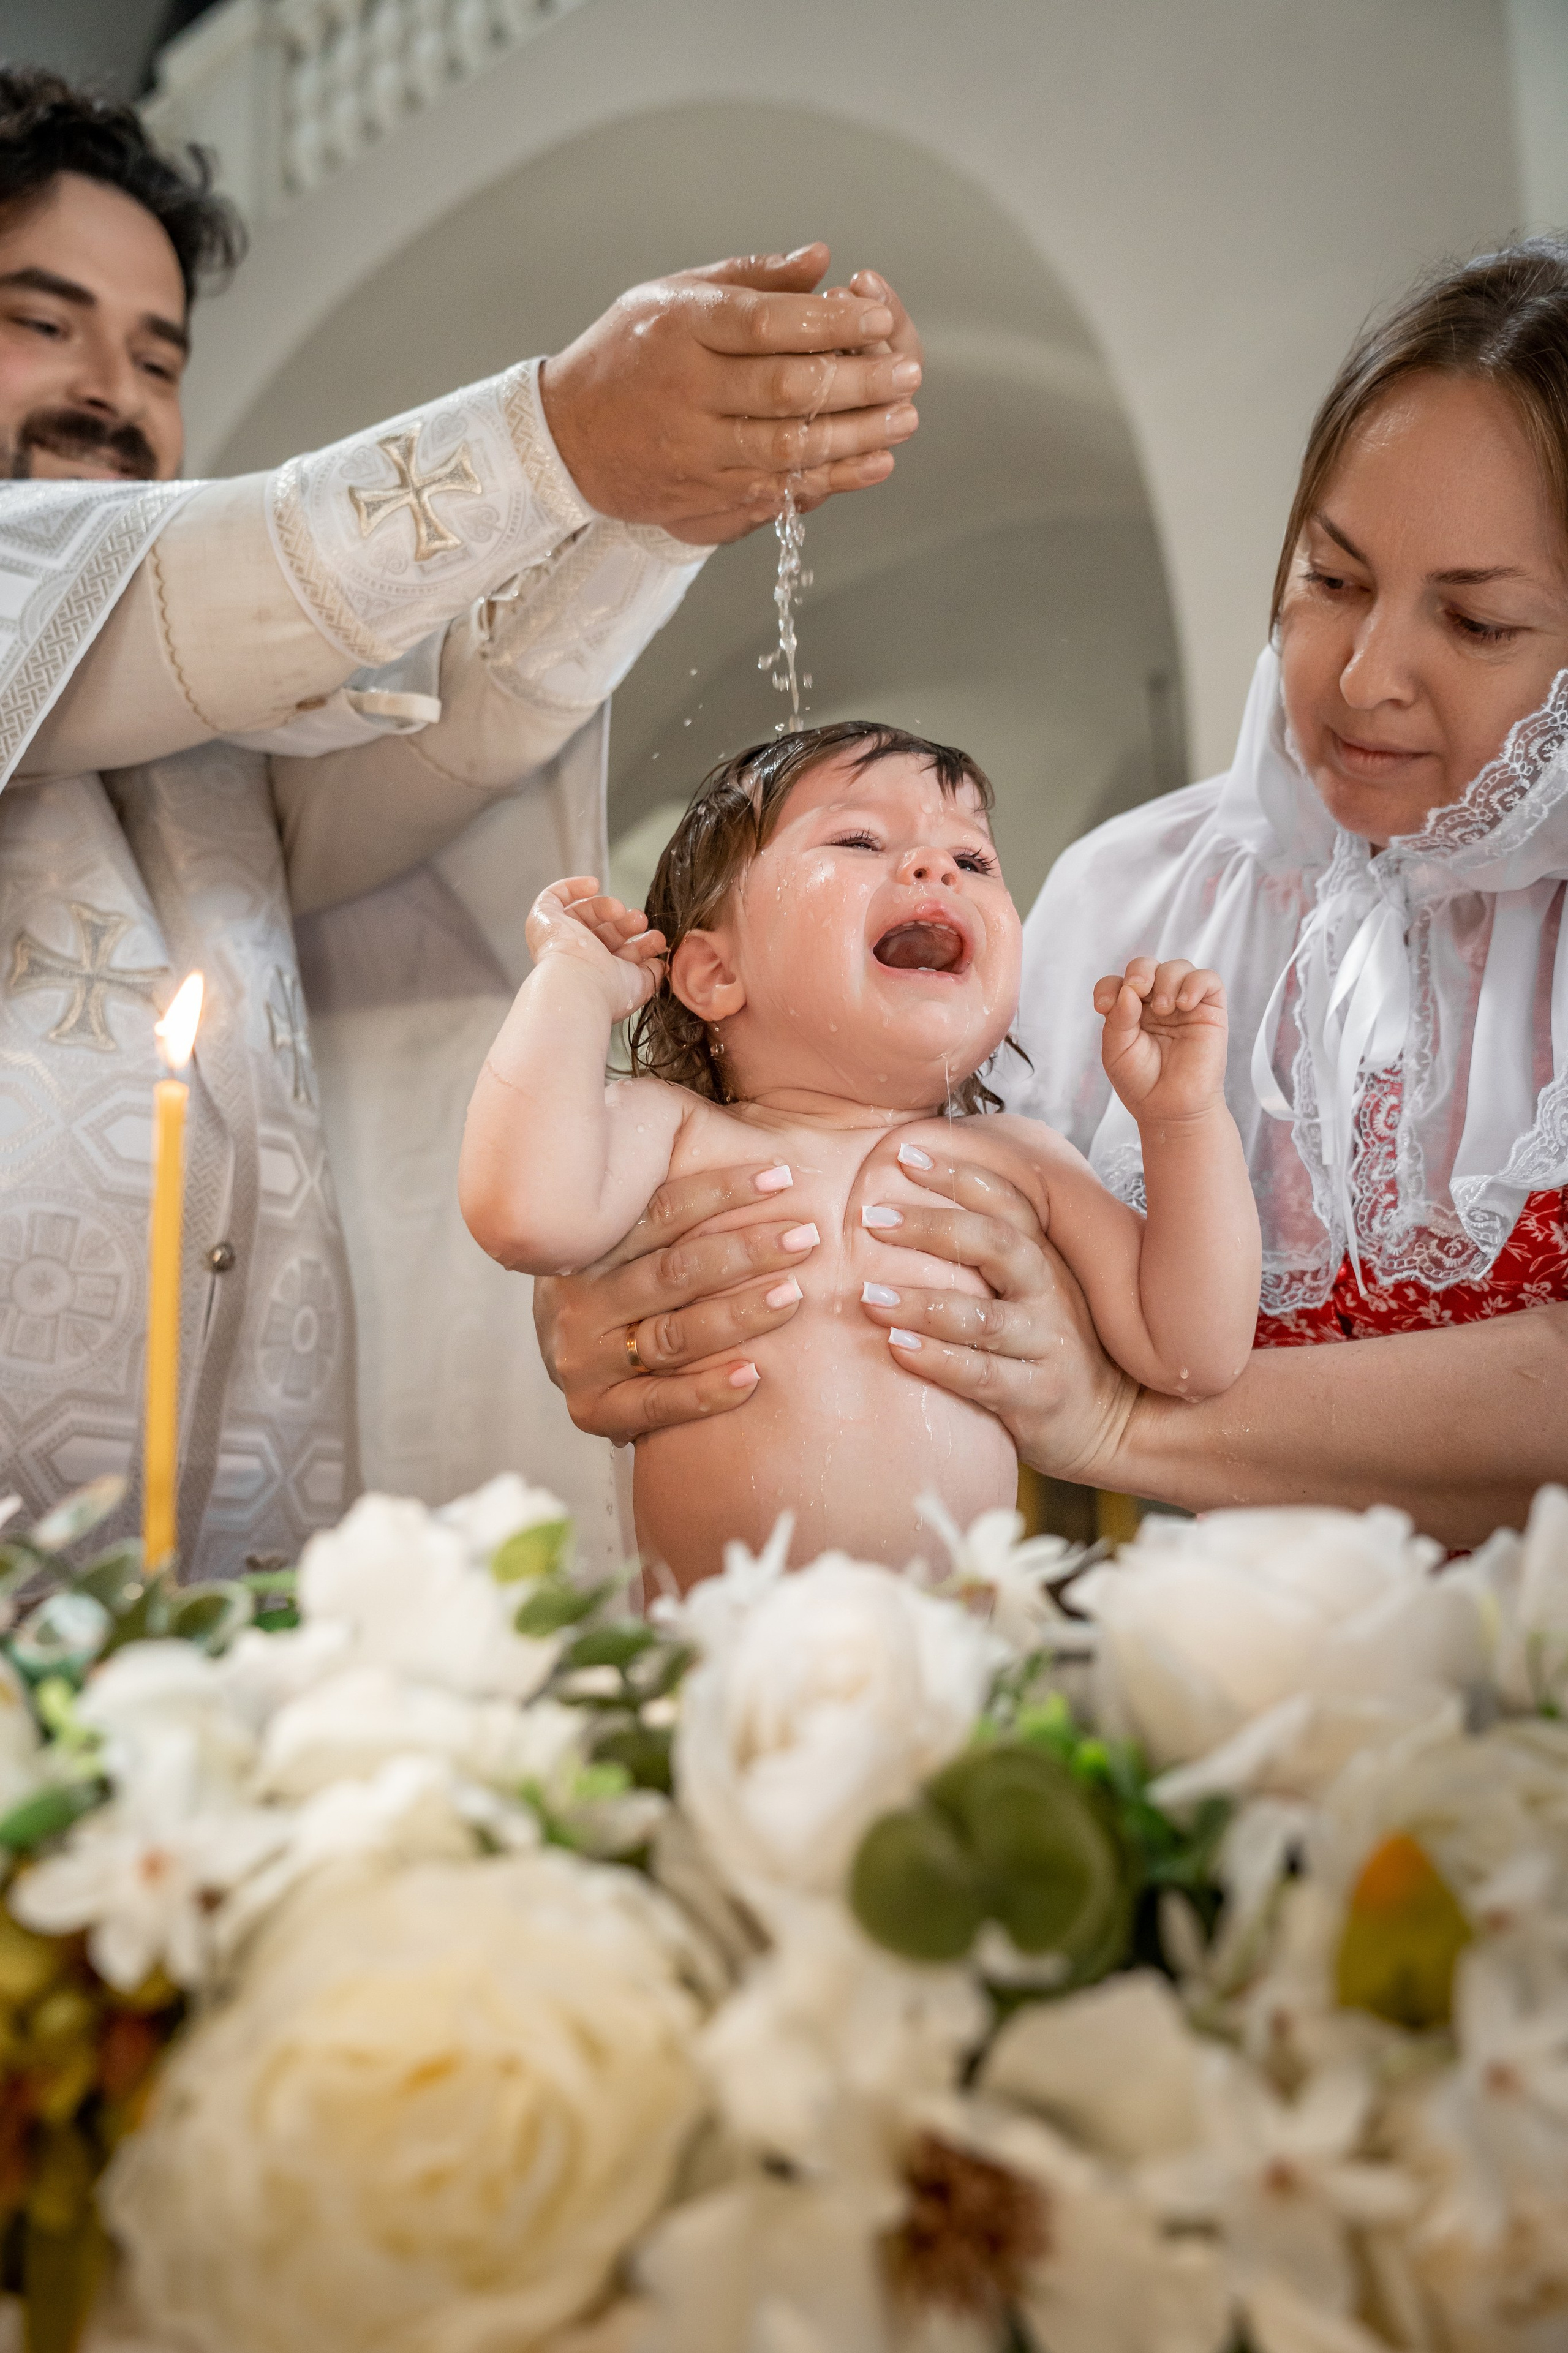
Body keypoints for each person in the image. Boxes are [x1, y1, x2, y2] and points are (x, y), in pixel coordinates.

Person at [0, 66, 924, 1575]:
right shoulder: (147, 636)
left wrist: (651, 517)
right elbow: (173, 590)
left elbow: (438, 764)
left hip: (233, 1559)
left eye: (157, 354)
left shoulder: (195, 745)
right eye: (43, 321)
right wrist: (553, 434)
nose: (112, 386)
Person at [533, 239, 1568, 1553]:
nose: (1363, 677)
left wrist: (1121, 1421)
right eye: (1331, 579)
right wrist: (629, 1296)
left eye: (1474, 624)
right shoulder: (1130, 890)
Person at [461, 721, 1259, 1583]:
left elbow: (1194, 1350)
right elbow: (522, 1215)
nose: (936, 867)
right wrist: (573, 985)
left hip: (949, 1676)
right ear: (714, 975)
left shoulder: (1015, 1164)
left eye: (977, 860)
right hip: (723, 1669)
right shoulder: (672, 1134)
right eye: (859, 839)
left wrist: (1182, 1122)